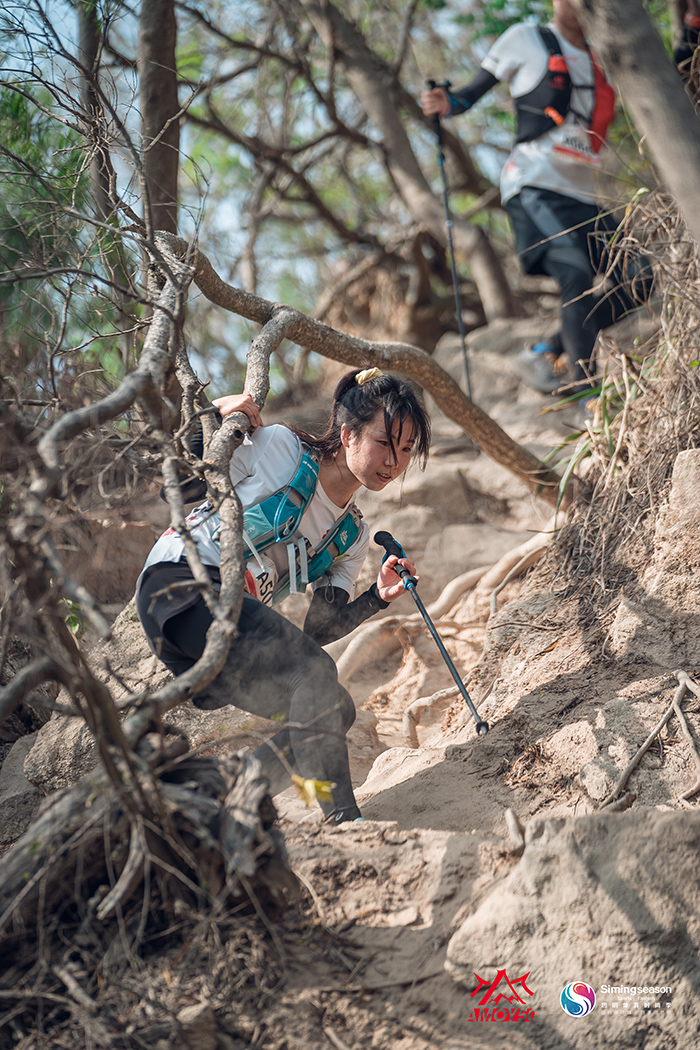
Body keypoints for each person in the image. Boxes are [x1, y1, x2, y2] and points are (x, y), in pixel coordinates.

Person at [136, 367, 431, 825]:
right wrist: (210, 417)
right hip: (180, 581)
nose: (394, 461)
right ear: (348, 433)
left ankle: (227, 794)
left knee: (334, 704)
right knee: (316, 676)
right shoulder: (279, 447)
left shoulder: (351, 536)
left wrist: (377, 596)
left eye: (407, 450)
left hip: (220, 621)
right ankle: (344, 818)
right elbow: (177, 484)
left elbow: (318, 632)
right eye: (385, 443)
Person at [421, 0, 654, 402]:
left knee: (640, 274)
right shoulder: (526, 38)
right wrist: (445, 101)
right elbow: (466, 97)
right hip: (532, 186)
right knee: (574, 272)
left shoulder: (605, 53)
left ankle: (547, 349)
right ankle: (587, 398)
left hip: (584, 194)